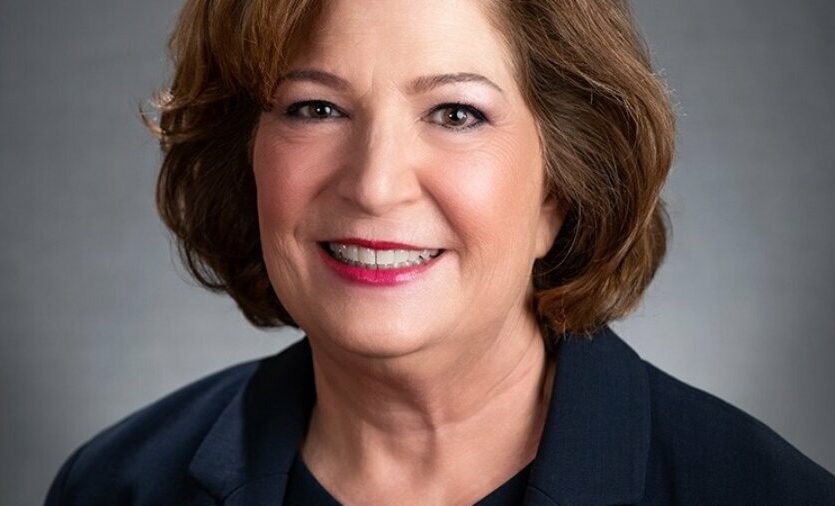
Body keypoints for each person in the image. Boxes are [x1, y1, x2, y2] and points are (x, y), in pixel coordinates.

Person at [45, 0, 835, 504]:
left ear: (561, 186)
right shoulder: (116, 486)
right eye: (315, 107)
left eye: (456, 114)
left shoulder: (761, 492)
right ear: (243, 160)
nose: (376, 185)